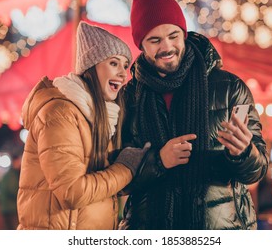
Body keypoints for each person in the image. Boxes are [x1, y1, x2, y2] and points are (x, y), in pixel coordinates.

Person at [17, 21, 194, 230]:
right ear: (91, 66)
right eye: (113, 63)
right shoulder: (60, 114)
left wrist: (151, 163)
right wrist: (126, 168)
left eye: (125, 65)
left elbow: (103, 185)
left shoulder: (101, 118)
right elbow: (73, 192)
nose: (123, 73)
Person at [120, 0, 269, 230]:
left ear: (184, 34)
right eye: (155, 40)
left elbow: (257, 171)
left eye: (173, 35)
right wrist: (158, 161)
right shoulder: (129, 97)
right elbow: (116, 176)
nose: (166, 47)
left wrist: (244, 153)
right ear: (141, 45)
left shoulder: (230, 88)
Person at [0, 152, 22, 229]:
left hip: (6, 207)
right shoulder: (13, 175)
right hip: (11, 208)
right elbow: (12, 190)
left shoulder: (7, 174)